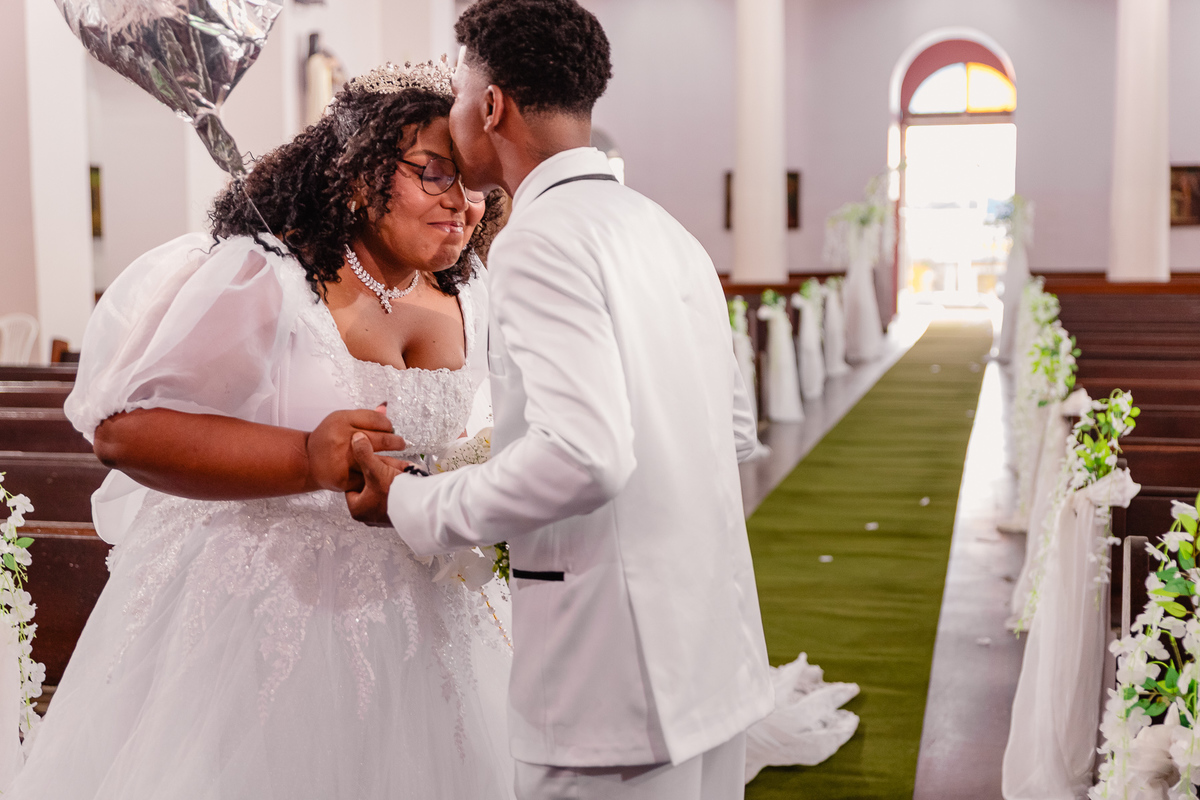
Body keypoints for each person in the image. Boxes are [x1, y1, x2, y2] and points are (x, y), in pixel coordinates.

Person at [11, 62, 517, 799]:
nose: (462, 204)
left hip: (430, 614)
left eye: (477, 184)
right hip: (265, 616)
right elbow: (126, 434)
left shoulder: (470, 292)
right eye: (433, 174)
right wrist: (303, 457)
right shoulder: (270, 276)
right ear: (358, 173)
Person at [347, 1, 776, 797]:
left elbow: (585, 454)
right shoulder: (667, 231)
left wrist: (416, 503)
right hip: (713, 652)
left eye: (461, 94)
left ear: (492, 104)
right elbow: (735, 430)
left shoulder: (541, 240)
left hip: (610, 678)